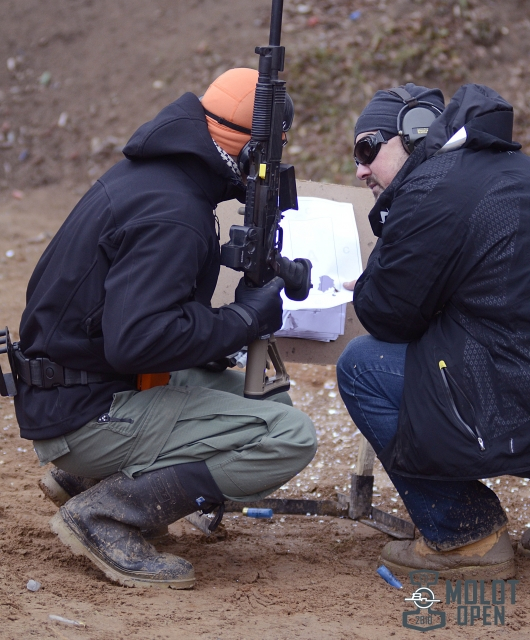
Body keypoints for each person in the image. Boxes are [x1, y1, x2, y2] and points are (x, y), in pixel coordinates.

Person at [13, 68, 317, 589]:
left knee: (271, 402)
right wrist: (241, 320)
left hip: (77, 385)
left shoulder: (157, 178)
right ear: (251, 150)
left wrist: (222, 332)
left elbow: (129, 320)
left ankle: (86, 480)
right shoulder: (175, 212)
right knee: (288, 436)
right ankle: (105, 513)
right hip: (84, 412)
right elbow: (138, 340)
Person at [338, 81, 530, 580]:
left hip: (514, 395)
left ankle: (466, 535)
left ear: (413, 134)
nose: (360, 170)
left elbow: (387, 315)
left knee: (362, 367)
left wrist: (371, 279)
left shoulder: (433, 188)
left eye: (367, 150)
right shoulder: (514, 169)